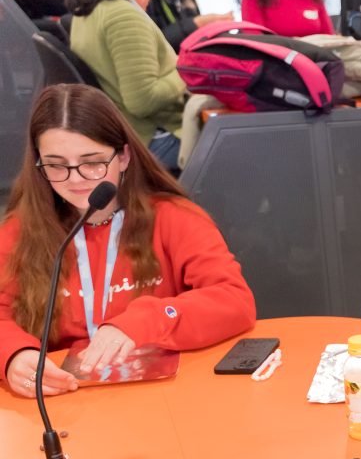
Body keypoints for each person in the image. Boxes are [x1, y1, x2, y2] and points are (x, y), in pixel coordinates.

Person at [0, 85, 256, 399]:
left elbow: (234, 301)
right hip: (65, 401)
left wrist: (148, 320)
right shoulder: (20, 230)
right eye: (56, 165)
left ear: (123, 157)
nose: (76, 179)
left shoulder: (174, 218)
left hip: (164, 397)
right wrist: (13, 355)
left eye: (92, 161)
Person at [68, 0, 187, 171]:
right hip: (154, 138)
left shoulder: (89, 6)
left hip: (129, 132)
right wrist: (188, 71)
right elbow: (143, 100)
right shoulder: (122, 16)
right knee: (245, 140)